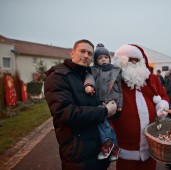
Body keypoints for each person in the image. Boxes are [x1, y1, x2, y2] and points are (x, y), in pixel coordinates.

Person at [44, 39, 117, 170]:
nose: (86, 56)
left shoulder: (88, 76)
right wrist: (105, 112)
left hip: (98, 154)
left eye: (89, 53)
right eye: (82, 51)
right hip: (78, 157)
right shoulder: (58, 76)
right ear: (72, 53)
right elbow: (66, 113)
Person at [111, 44, 170, 170]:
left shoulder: (152, 79)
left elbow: (164, 96)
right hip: (126, 149)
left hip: (150, 146)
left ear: (142, 62)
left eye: (136, 60)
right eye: (129, 59)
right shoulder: (114, 82)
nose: (132, 63)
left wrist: (162, 105)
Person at [83, 43, 122, 162]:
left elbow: (120, 90)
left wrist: (120, 105)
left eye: (105, 57)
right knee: (104, 124)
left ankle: (107, 143)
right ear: (96, 61)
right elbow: (89, 77)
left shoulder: (115, 70)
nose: (103, 60)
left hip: (113, 101)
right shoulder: (95, 70)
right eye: (100, 58)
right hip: (101, 101)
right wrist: (89, 85)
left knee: (103, 123)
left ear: (109, 59)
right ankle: (113, 146)